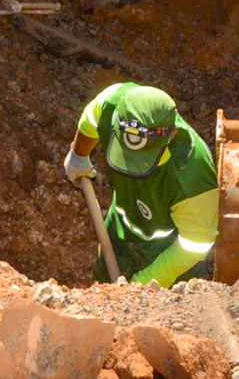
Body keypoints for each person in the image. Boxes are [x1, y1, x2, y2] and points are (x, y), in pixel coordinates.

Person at [63, 82, 218, 287]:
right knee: (103, 292)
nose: (130, 163)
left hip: (170, 255)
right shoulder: (112, 102)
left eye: (141, 158)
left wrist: (144, 284)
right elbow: (91, 117)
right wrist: (79, 155)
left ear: (171, 136)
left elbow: (195, 245)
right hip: (120, 230)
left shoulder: (193, 177)